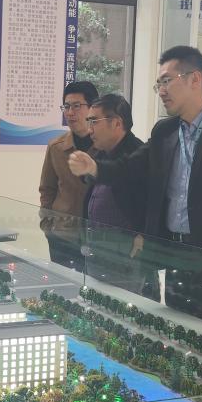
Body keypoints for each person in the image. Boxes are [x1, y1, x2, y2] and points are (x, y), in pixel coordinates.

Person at [68, 46, 202, 331]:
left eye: (167, 81)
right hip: (175, 257)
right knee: (178, 334)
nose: (161, 91)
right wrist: (95, 168)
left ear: (195, 79)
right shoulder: (165, 131)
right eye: (158, 84)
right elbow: (131, 167)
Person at [80, 94, 146, 294]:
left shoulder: (138, 155)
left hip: (124, 252)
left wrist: (143, 234)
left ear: (117, 123)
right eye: (88, 121)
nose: (89, 129)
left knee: (121, 307)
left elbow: (152, 203)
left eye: (94, 121)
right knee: (95, 302)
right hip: (96, 246)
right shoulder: (100, 153)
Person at [39, 80, 99, 270]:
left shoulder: (105, 146)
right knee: (64, 284)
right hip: (63, 235)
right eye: (66, 106)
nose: (70, 112)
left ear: (92, 108)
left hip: (99, 237)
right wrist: (47, 226)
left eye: (76, 106)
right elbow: (47, 189)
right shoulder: (56, 147)